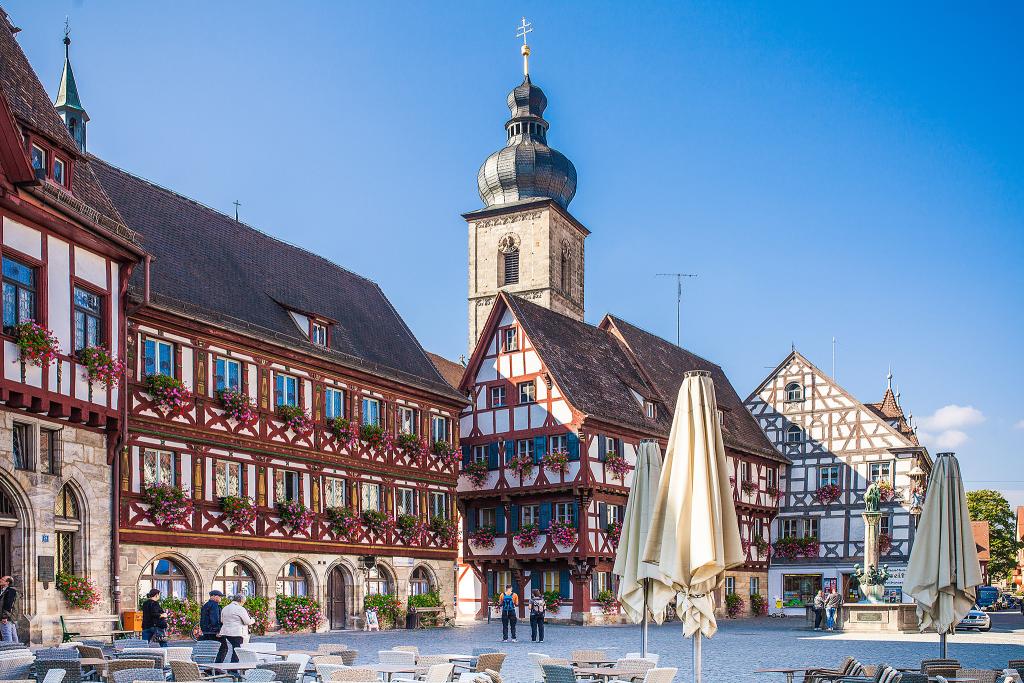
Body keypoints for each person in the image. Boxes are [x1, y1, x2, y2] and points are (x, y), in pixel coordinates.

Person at [218, 594, 253, 663]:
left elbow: (222, 620)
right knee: (237, 651)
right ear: (241, 601)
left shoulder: (225, 608)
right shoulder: (240, 609)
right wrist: (253, 620)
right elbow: (247, 622)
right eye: (244, 602)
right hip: (237, 633)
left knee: (235, 649)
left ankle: (232, 668)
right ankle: (233, 669)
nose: (243, 604)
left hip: (226, 632)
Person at [200, 590, 227, 662]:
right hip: (214, 632)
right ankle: (217, 667)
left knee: (210, 650)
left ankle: (209, 667)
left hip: (206, 631)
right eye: (220, 596)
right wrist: (218, 631)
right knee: (223, 648)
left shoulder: (206, 605)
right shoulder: (214, 605)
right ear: (214, 596)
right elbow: (214, 619)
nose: (221, 598)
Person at [0, 577, 18, 643]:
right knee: (13, 636)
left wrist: (4, 617)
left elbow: (8, 604)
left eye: (2, 579)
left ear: (7, 583)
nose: (0, 580)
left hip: (7, 618)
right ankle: (18, 651)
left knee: (7, 636)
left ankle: (11, 651)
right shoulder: (4, 590)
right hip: (9, 617)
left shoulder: (10, 590)